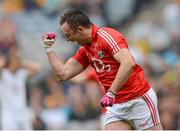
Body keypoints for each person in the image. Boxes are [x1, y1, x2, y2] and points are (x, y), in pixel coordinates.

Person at [42, 9, 163, 130]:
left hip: (138, 99)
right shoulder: (85, 51)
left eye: (68, 35)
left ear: (80, 29)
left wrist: (111, 92)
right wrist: (48, 48)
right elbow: (62, 74)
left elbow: (128, 62)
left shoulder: (106, 36)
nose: (68, 39)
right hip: (116, 105)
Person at [0, 53, 42, 130]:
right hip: (8, 113)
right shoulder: (3, 74)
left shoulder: (21, 74)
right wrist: (4, 62)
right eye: (13, 62)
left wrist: (22, 63)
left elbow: (38, 67)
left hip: (22, 112)